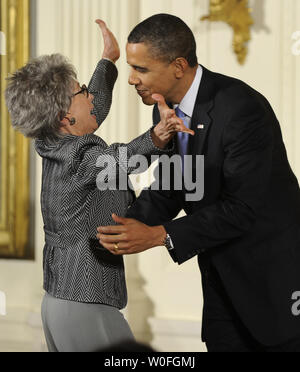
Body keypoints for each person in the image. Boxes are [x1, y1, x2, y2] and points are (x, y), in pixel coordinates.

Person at [97, 14, 300, 352]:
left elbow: (244, 208)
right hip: (221, 284)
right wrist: (119, 224)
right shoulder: (162, 109)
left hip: (275, 281)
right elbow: (173, 186)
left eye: (141, 69)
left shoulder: (241, 108)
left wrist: (161, 235)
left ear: (178, 66)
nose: (132, 79)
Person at [5, 19, 191, 352]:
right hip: (85, 305)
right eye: (82, 92)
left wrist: (108, 60)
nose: (91, 96)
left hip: (60, 302)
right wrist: (158, 135)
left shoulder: (54, 141)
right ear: (65, 115)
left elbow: (94, 108)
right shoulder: (79, 157)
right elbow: (119, 159)